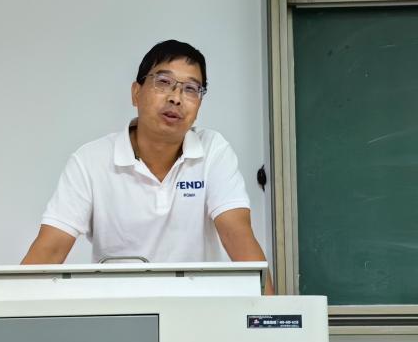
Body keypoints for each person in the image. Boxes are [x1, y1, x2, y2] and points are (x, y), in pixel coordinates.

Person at [22, 39, 273, 294]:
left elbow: (237, 235)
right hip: (119, 309)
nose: (176, 98)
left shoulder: (213, 150)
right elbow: (50, 249)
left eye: (190, 89)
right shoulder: (90, 160)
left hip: (196, 308)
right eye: (163, 82)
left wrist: (273, 315)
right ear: (136, 93)